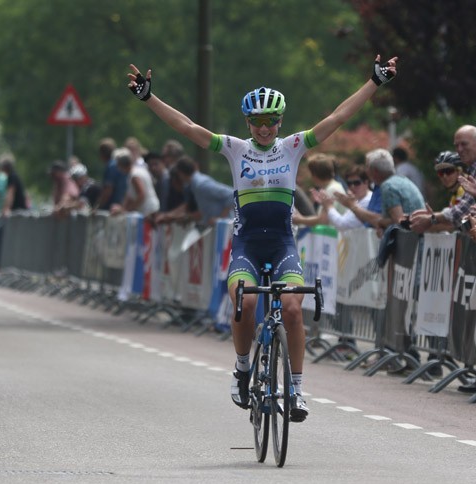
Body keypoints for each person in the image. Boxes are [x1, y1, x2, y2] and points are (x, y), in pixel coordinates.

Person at [127, 54, 397, 421]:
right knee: (246, 302)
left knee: (291, 309)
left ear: (280, 121)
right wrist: (148, 98)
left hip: (283, 244)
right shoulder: (235, 149)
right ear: (248, 123)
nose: (264, 129)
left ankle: (297, 390)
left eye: (270, 122)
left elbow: (338, 117)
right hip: (247, 246)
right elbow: (188, 128)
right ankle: (241, 369)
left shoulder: (293, 147)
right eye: (257, 122)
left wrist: (375, 82)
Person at [335, 148, 424, 232]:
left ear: (375, 171)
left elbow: (398, 221)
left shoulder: (388, 186)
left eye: (367, 167)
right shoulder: (399, 181)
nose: (365, 171)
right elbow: (370, 221)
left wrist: (353, 206)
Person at [170, 155, 235, 226]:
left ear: (181, 173)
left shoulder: (202, 185)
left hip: (225, 229)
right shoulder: (195, 186)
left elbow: (231, 194)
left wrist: (220, 219)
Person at [312, 165, 373, 231]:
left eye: (356, 183)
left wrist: (329, 207)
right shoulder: (357, 200)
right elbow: (342, 220)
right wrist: (325, 205)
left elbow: (343, 225)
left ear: (366, 183)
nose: (352, 186)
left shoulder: (368, 201)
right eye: (349, 183)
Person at [293, 153, 346, 227]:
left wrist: (299, 219)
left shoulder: (332, 190)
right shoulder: (333, 187)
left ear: (314, 174)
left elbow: (323, 220)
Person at [110, 148, 160, 217]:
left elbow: (141, 194)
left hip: (148, 212)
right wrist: (122, 208)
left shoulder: (134, 176)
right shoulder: (138, 170)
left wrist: (127, 210)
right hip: (152, 209)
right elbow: (130, 196)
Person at [96, 138, 127, 210]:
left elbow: (108, 190)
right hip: (120, 205)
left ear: (102, 154)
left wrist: (98, 206)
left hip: (111, 207)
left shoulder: (111, 166)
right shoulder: (118, 164)